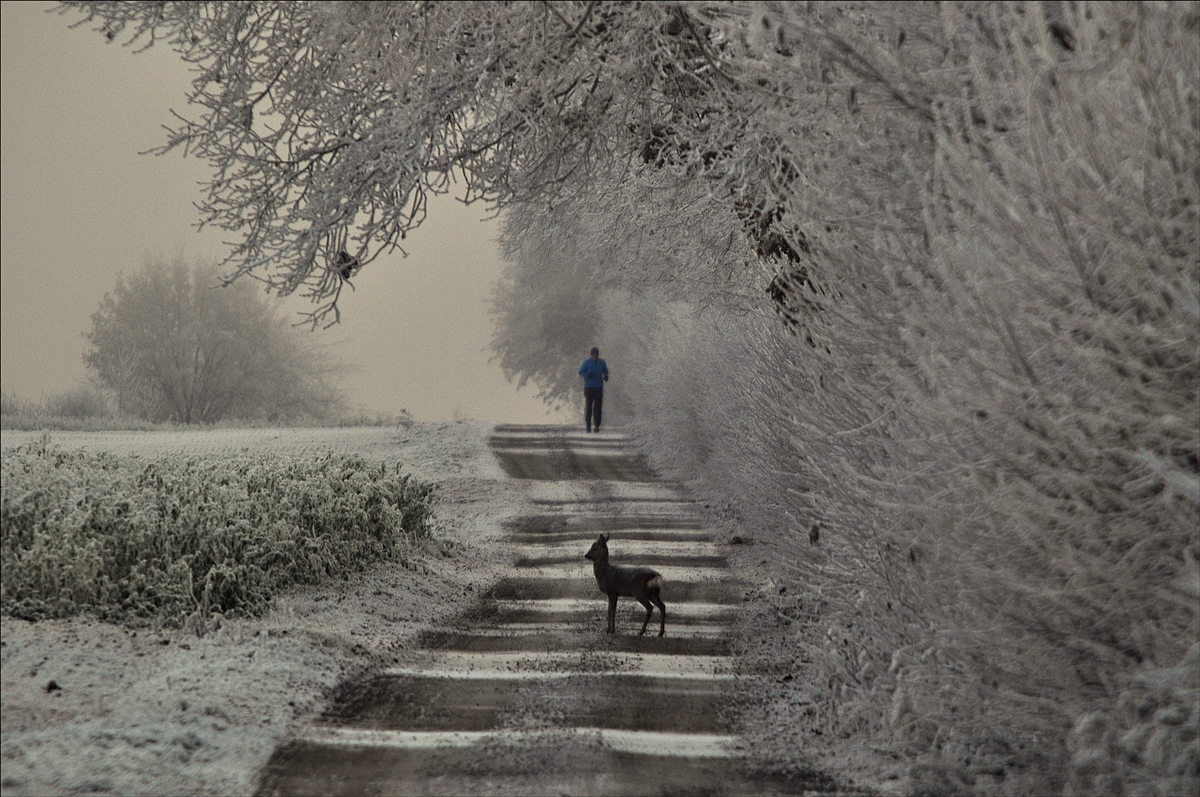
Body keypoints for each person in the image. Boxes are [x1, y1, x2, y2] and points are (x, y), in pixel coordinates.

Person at [579, 346, 609, 433]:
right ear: (591, 355)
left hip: (599, 387)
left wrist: (606, 376)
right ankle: (588, 425)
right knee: (589, 406)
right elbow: (581, 372)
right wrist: (587, 375)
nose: (595, 357)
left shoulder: (602, 362)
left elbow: (605, 371)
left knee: (598, 407)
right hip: (589, 387)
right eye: (593, 355)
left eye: (596, 355)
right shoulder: (586, 362)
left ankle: (597, 425)